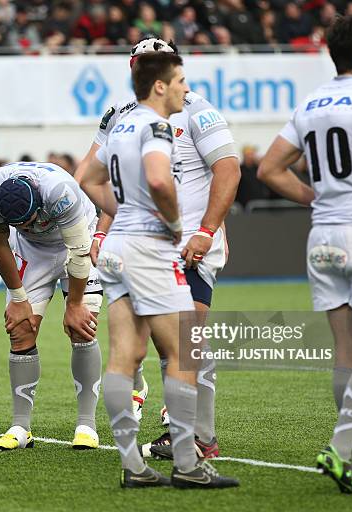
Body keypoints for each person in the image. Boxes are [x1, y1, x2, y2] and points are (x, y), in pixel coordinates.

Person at [257, 14, 352, 495]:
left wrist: (315, 198)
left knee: (347, 352)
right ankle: (341, 448)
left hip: (322, 236)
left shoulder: (311, 102)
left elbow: (268, 169)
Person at [75, 37, 241, 460]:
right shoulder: (149, 120)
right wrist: (176, 224)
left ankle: (144, 451)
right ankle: (193, 445)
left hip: (139, 246)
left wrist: (205, 228)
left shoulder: (137, 116)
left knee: (130, 354)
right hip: (167, 244)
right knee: (186, 345)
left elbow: (89, 177)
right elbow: (157, 179)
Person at [0, 161, 103, 451]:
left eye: (29, 219)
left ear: (39, 202)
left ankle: (86, 424)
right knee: (20, 329)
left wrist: (74, 305)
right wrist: (19, 299)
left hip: (77, 240)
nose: (24, 226)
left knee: (82, 327)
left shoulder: (61, 192)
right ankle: (21, 427)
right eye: (17, 224)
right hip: (33, 251)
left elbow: (80, 254)